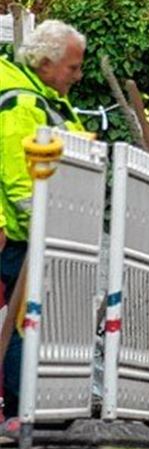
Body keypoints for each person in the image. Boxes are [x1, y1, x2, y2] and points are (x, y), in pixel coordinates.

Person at [0, 21, 88, 423]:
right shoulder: (20, 103)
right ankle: (24, 410)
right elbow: (19, 178)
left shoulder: (39, 98)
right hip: (20, 237)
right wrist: (44, 222)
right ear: (47, 63)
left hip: (29, 235)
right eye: (73, 67)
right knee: (21, 326)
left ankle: (29, 408)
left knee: (26, 323)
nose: (78, 75)